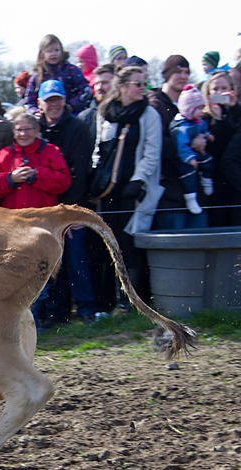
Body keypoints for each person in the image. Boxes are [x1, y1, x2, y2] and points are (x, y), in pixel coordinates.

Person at [89, 66, 163, 311]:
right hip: (108, 190)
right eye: (137, 83)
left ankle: (131, 301)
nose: (143, 88)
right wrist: (97, 176)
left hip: (134, 191)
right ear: (122, 86)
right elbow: (100, 148)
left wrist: (138, 179)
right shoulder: (107, 111)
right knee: (109, 244)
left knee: (130, 243)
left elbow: (152, 152)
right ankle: (108, 301)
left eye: (145, 83)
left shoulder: (148, 114)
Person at [37, 79, 98, 326]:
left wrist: (70, 215)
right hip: (44, 208)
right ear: (40, 103)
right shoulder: (35, 127)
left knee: (76, 259)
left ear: (65, 101)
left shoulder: (78, 128)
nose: (54, 105)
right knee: (51, 264)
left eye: (58, 100)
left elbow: (80, 174)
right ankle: (57, 312)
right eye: (49, 101)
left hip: (71, 207)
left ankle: (86, 310)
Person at [148, 55, 206, 229]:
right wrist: (188, 144)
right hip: (170, 193)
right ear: (167, 74)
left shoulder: (193, 102)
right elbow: (157, 143)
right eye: (177, 71)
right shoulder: (155, 104)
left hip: (196, 191)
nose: (183, 76)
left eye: (186, 72)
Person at [0, 112, 72, 210]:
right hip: (14, 216)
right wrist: (10, 179)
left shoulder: (51, 151)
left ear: (37, 131)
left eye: (28, 129)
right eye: (19, 130)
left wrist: (37, 174)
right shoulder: (4, 153)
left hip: (44, 216)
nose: (23, 134)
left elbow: (64, 182)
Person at [201, 71, 241, 225]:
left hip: (235, 179)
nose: (219, 93)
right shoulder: (204, 117)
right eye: (215, 90)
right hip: (215, 181)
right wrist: (217, 119)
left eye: (224, 88)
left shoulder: (238, 112)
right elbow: (215, 146)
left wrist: (232, 109)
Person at [170, 86, 214, 216]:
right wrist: (190, 159)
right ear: (189, 110)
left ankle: (207, 179)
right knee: (189, 175)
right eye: (199, 109)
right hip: (185, 157)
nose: (202, 111)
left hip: (197, 153)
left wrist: (207, 134)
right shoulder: (182, 128)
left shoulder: (198, 121)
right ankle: (191, 198)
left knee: (208, 160)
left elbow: (203, 127)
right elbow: (181, 145)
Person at [25, 35, 91, 114]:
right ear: (42, 53)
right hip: (45, 117)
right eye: (49, 51)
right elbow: (29, 101)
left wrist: (71, 106)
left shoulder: (72, 70)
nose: (53, 54)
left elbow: (85, 91)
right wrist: (34, 112)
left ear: (62, 51)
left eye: (56, 50)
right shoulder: (37, 76)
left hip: (71, 115)